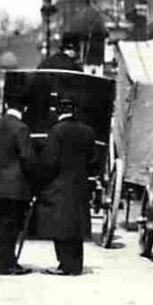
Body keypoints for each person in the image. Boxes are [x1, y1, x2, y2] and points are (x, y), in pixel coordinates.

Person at [37, 101, 97, 275]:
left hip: (59, 185)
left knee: (60, 225)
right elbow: (93, 161)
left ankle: (64, 265)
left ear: (58, 112)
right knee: (76, 225)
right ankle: (76, 265)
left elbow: (50, 161)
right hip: (80, 186)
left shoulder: (57, 131)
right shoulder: (88, 131)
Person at [0, 102, 36, 275]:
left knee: (2, 226)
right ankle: (5, 265)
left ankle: (5, 261)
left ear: (6, 105)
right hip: (15, 187)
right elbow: (27, 158)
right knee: (11, 227)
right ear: (25, 108)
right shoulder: (21, 129)